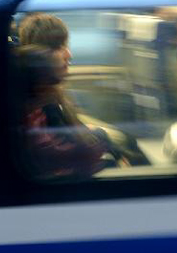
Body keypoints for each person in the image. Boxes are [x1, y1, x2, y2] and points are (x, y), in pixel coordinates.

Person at [16, 44, 113, 180]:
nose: (56, 87)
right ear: (39, 87)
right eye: (50, 83)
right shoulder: (28, 122)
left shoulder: (36, 113)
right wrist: (82, 154)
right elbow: (50, 155)